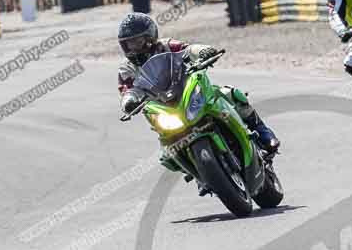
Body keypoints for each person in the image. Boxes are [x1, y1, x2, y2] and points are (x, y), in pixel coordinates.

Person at [116, 12, 280, 194]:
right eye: (128, 44)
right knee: (167, 156)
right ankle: (199, 173)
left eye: (137, 41)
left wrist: (202, 51)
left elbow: (188, 49)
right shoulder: (126, 68)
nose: (134, 48)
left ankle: (264, 134)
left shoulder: (166, 45)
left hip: (186, 91)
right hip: (162, 107)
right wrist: (129, 101)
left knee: (231, 94)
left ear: (150, 37)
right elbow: (127, 89)